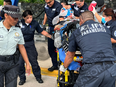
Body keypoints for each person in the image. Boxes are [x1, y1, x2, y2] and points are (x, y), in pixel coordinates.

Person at [59, 11, 116, 87]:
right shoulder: (105, 28)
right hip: (111, 68)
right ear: (93, 19)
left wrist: (64, 67)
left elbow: (70, 56)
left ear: (81, 20)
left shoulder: (77, 32)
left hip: (93, 69)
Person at [18, 10, 53, 85]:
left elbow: (42, 31)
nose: (30, 19)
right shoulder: (19, 23)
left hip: (30, 44)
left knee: (34, 62)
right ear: (23, 18)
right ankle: (22, 78)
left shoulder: (35, 23)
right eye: (27, 18)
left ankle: (38, 77)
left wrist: (50, 36)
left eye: (31, 17)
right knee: (20, 63)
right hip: (20, 45)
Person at [0, 5, 31, 87]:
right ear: (6, 15)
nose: (17, 20)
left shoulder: (18, 30)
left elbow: (21, 47)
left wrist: (27, 63)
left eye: (18, 17)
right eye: (14, 17)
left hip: (12, 63)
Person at [43, 0, 62, 71]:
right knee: (50, 48)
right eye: (46, 3)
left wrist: (57, 26)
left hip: (58, 28)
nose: (48, 4)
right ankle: (54, 65)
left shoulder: (58, 6)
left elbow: (61, 18)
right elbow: (46, 14)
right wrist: (44, 24)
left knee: (59, 47)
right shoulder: (46, 6)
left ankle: (61, 65)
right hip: (51, 29)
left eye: (49, 2)